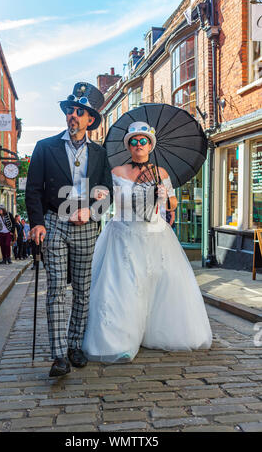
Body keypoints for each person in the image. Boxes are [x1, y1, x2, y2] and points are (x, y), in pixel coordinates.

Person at [83, 121, 212, 363]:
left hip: (155, 235)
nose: (139, 145)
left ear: (150, 145)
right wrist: (98, 197)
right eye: (134, 141)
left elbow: (173, 204)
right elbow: (104, 203)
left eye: (143, 141)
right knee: (122, 287)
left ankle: (153, 332)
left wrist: (165, 197)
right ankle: (118, 339)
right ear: (128, 145)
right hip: (122, 235)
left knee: (158, 285)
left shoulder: (160, 173)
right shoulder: (116, 173)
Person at [25, 82, 113, 377]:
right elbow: (33, 189)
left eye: (79, 112)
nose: (73, 115)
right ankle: (59, 355)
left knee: (83, 291)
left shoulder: (99, 154)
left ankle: (75, 344)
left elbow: (107, 191)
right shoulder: (45, 147)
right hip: (54, 223)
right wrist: (37, 222)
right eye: (70, 110)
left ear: (90, 120)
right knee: (56, 290)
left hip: (87, 227)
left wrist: (92, 209)